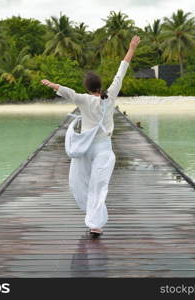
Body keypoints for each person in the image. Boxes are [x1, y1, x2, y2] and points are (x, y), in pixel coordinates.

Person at [41, 35, 141, 237]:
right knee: (99, 185)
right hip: (104, 148)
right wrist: (131, 48)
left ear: (87, 87)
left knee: (80, 182)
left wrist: (52, 84)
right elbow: (121, 72)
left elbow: (67, 91)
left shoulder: (83, 100)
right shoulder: (110, 96)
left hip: (85, 148)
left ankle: (93, 219)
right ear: (100, 85)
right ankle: (95, 223)